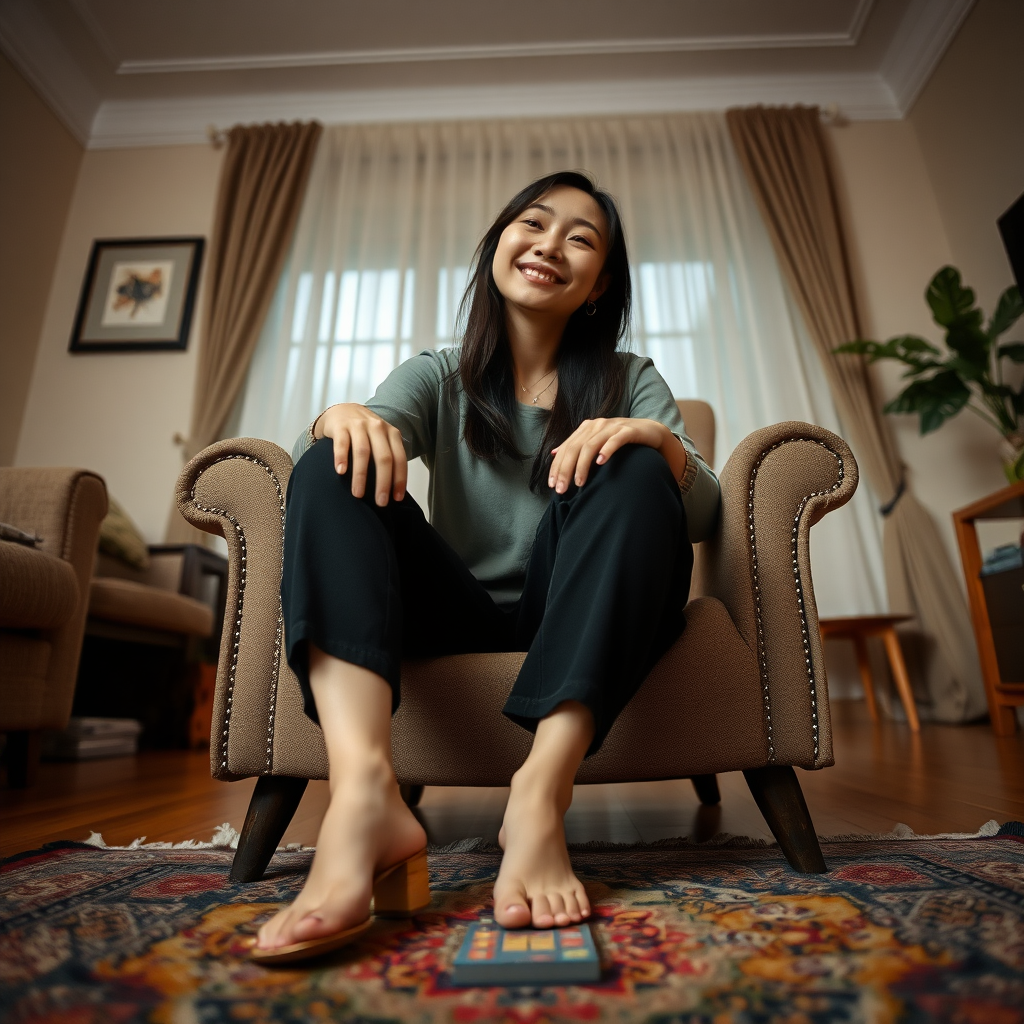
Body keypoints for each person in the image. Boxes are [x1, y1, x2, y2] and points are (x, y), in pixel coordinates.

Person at [253, 170, 721, 962]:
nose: (550, 244)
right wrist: (338, 418)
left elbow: (703, 516)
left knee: (638, 461)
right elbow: (333, 473)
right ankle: (364, 795)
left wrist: (660, 442)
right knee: (336, 457)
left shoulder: (629, 378)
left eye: (581, 237)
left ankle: (539, 793)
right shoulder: (439, 375)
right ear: (499, 245)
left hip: (573, 606)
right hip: (458, 613)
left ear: (601, 283)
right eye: (533, 224)